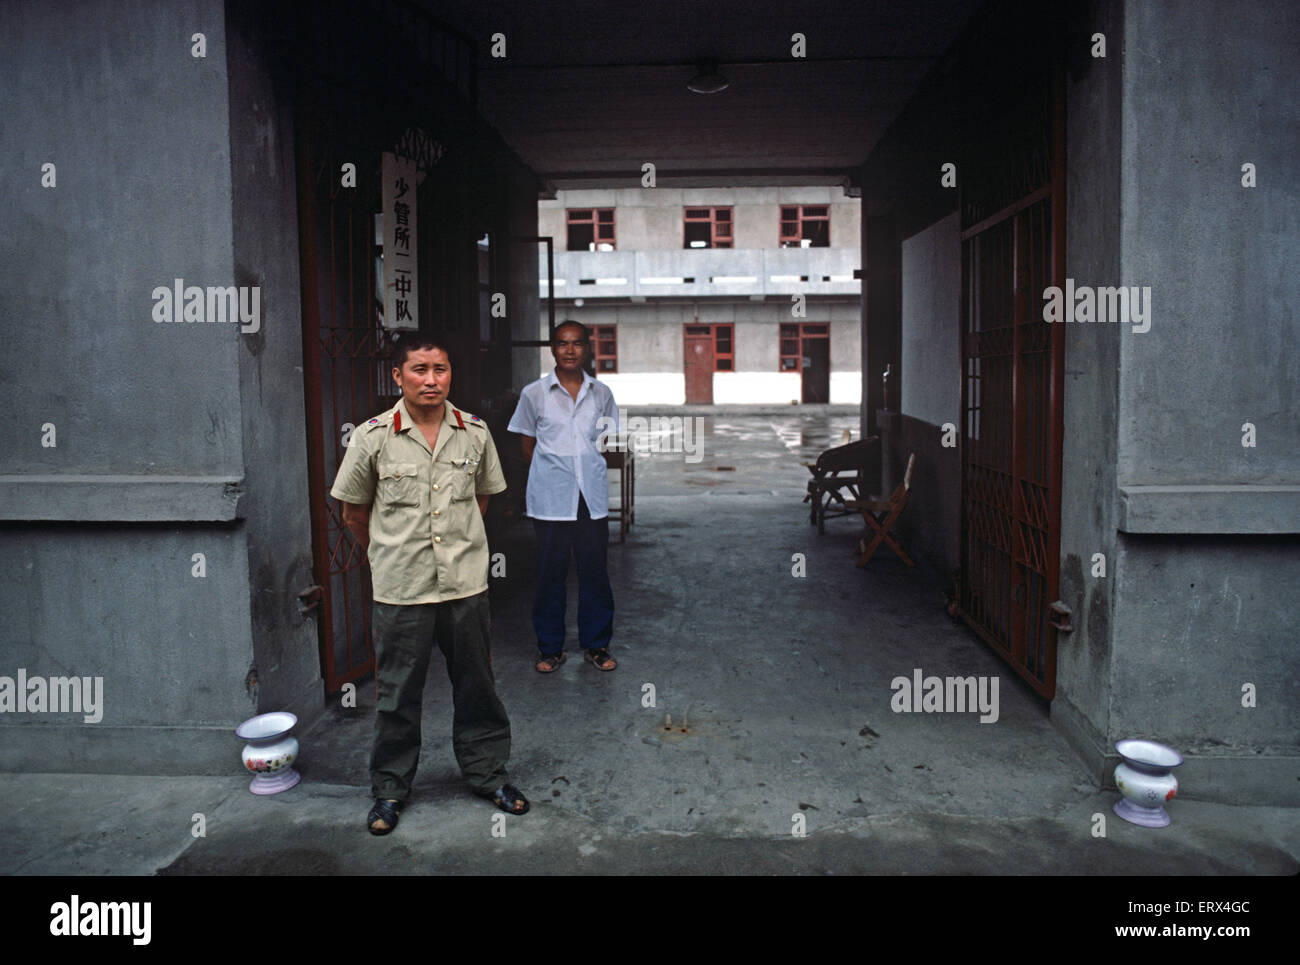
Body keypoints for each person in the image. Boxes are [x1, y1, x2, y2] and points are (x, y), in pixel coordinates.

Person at [330, 331, 529, 835]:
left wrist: (456, 546)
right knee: (398, 694)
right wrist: (392, 550)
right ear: (397, 376)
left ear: (450, 375)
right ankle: (391, 789)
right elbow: (355, 513)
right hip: (402, 589)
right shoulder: (373, 436)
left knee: (477, 686)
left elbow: (483, 501)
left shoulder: (475, 433)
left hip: (465, 586)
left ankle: (488, 774)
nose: (431, 380)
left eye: (440, 369)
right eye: (419, 370)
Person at [508, 320, 620, 673]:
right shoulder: (534, 394)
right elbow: (527, 444)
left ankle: (597, 645)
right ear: (552, 349)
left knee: (594, 572)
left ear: (587, 348)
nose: (569, 350)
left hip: (591, 499)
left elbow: (604, 441)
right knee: (550, 573)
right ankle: (550, 649)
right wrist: (556, 472)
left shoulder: (601, 394)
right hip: (551, 500)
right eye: (561, 343)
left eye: (576, 343)